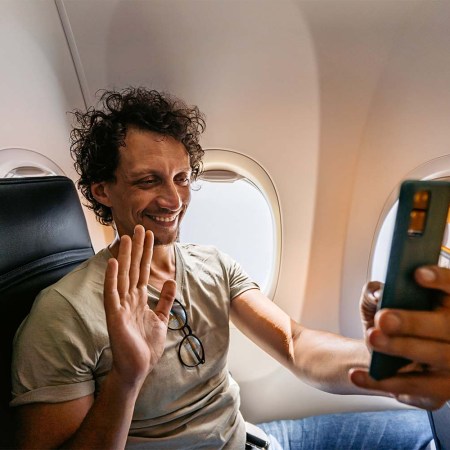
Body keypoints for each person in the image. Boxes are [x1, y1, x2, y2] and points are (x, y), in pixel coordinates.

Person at [10, 87, 447, 450]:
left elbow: (295, 345)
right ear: (102, 190)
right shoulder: (63, 313)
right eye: (148, 181)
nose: (173, 200)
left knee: (426, 434)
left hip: (249, 439)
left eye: (181, 178)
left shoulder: (211, 264)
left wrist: (389, 360)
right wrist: (127, 377)